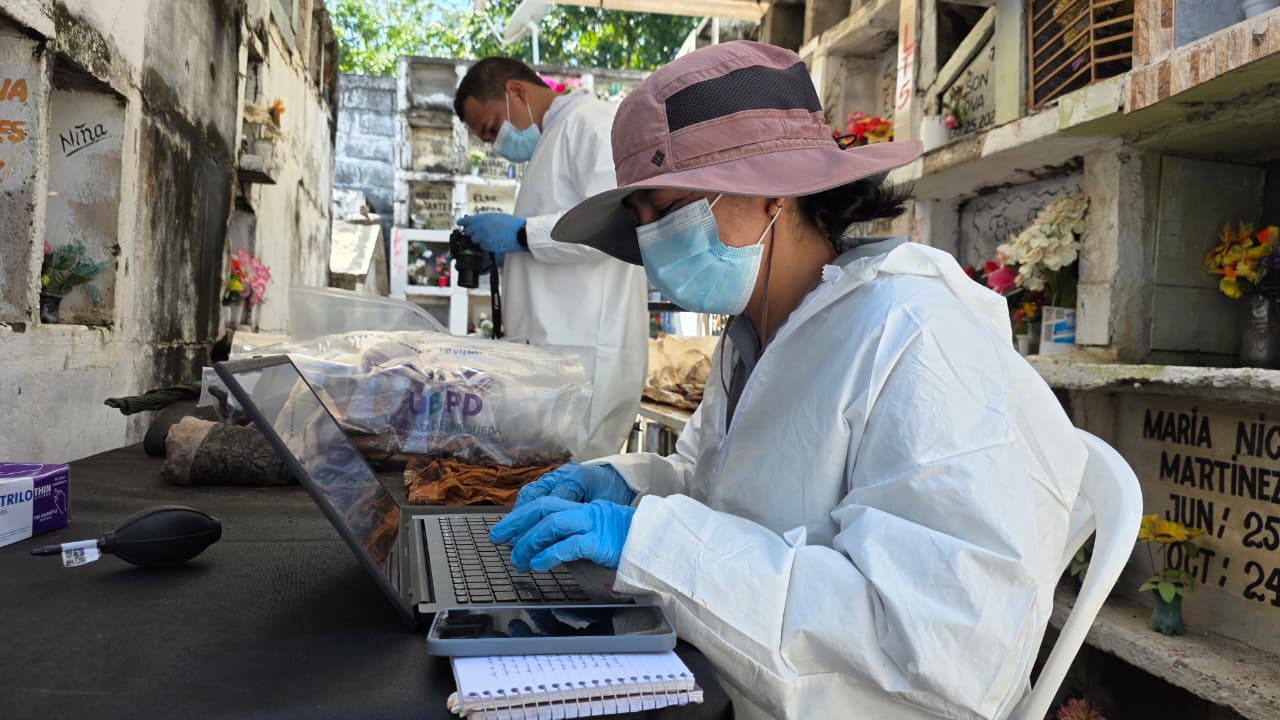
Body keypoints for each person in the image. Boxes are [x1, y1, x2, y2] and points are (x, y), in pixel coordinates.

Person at [488, 41, 1087, 720]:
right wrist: (627, 487)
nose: (651, 242)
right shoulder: (757, 327)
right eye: (642, 222)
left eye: (666, 209)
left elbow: (944, 641)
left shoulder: (916, 335)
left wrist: (648, 543)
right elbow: (721, 489)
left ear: (773, 185)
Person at [453, 58, 648, 460]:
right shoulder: (553, 140)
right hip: (557, 362)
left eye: (491, 127)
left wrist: (522, 235)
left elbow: (611, 224)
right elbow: (556, 239)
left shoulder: (590, 123)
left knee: (570, 487)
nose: (495, 143)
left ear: (517, 92)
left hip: (588, 360)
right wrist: (509, 258)